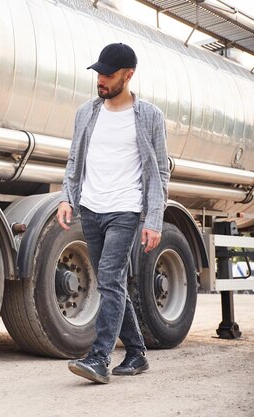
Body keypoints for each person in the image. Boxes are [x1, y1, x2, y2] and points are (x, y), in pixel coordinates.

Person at [57, 43, 170, 384]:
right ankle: (136, 353)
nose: (101, 80)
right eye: (99, 74)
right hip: (91, 208)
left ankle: (99, 357)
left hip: (125, 209)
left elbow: (159, 173)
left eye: (108, 74)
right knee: (113, 284)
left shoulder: (150, 116)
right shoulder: (87, 113)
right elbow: (75, 161)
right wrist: (67, 198)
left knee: (108, 278)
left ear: (128, 74)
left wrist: (153, 219)